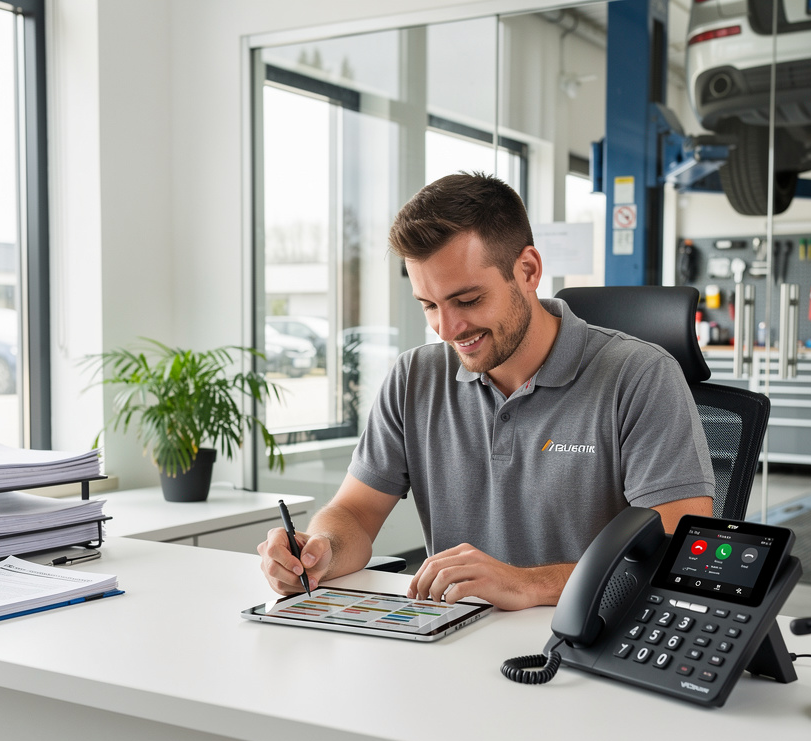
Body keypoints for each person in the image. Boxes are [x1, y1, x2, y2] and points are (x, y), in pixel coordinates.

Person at [259, 172, 714, 610]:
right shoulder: (413, 377)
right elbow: (354, 514)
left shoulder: (641, 376)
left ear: (529, 270)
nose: (447, 329)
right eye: (429, 305)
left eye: (468, 300)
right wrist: (321, 552)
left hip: (590, 647)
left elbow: (678, 553)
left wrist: (527, 582)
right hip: (457, 641)